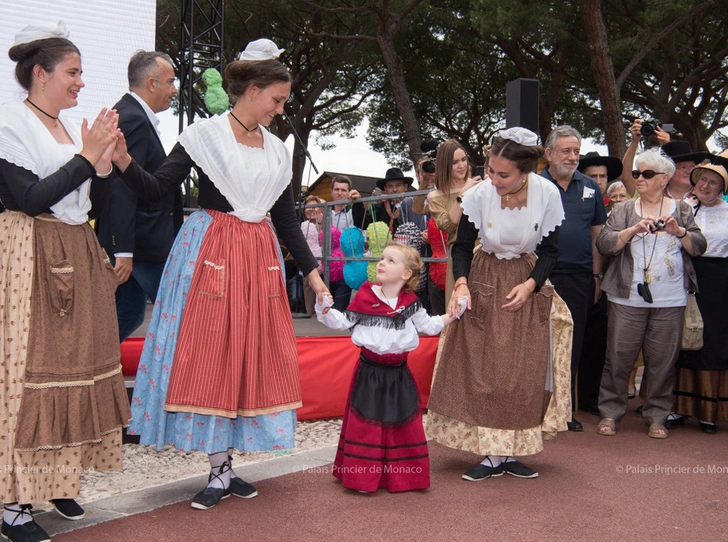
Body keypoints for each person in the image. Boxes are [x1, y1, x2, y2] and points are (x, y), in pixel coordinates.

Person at [115, 39, 329, 511]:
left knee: (249, 354)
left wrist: (313, 276)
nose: (279, 110)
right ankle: (218, 467)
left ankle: (226, 464)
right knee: (212, 352)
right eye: (276, 99)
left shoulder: (275, 150)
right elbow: (157, 190)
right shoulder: (204, 136)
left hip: (258, 257)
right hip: (210, 251)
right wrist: (125, 161)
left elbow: (287, 218)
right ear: (251, 91)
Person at [0, 22, 131, 541]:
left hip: (74, 247)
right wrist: (85, 158)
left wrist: (104, 164)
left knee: (78, 365)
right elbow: (27, 198)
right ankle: (12, 502)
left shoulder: (68, 125)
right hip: (29, 249)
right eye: (72, 72)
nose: (80, 82)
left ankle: (57, 478)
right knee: (29, 372)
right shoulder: (10, 122)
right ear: (40, 73)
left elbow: (85, 200)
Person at [427, 127, 571, 481]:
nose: (493, 179)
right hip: (483, 277)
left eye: (502, 174)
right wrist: (461, 283)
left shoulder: (547, 194)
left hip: (525, 277)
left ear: (526, 172)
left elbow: (551, 250)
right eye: (490, 170)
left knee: (521, 370)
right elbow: (461, 246)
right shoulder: (479, 194)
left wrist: (531, 284)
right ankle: (491, 452)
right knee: (484, 367)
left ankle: (510, 450)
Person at [315, 242, 459, 492]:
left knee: (401, 423)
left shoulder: (411, 302)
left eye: (391, 260)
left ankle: (405, 478)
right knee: (366, 425)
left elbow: (430, 326)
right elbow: (342, 321)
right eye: (381, 258)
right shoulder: (365, 294)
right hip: (368, 373)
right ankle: (362, 478)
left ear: (406, 274)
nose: (382, 262)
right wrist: (325, 309)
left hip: (399, 374)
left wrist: (454, 314)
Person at [595, 147, 706, 439]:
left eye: (646, 174)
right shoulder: (623, 209)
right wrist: (631, 231)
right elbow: (605, 245)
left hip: (671, 298)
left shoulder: (681, 209)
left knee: (662, 361)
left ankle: (656, 415)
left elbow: (699, 245)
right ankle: (610, 412)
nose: (639, 179)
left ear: (664, 178)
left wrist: (679, 231)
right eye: (636, 174)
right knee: (618, 357)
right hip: (625, 295)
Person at [95, 50, 182, 341]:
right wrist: (123, 251)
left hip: (141, 245)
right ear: (151, 83)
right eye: (170, 81)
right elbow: (121, 188)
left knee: (128, 315)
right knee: (180, 317)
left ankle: (89, 371)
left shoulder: (131, 115)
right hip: (142, 247)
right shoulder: (132, 118)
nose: (174, 89)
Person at [540, 125, 607, 431]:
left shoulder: (590, 187)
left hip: (580, 277)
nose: (572, 156)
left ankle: (565, 410)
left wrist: (596, 276)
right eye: (566, 150)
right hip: (541, 277)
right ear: (549, 153)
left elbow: (596, 237)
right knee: (541, 344)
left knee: (573, 345)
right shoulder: (533, 185)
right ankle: (537, 407)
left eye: (576, 151)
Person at [674, 161, 728, 433]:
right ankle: (676, 408)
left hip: (718, 282)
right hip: (684, 276)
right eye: (702, 180)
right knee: (681, 340)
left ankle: (708, 412)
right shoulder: (682, 208)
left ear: (722, 188)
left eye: (713, 182)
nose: (706, 186)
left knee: (711, 343)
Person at [419, 139, 480, 305]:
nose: (461, 166)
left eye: (464, 160)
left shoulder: (480, 186)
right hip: (459, 256)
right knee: (460, 308)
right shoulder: (435, 196)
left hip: (486, 252)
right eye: (454, 162)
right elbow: (449, 225)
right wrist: (462, 195)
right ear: (445, 165)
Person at [328, 175, 356, 311]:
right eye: (337, 189)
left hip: (345, 267)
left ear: (349, 192)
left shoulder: (354, 213)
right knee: (324, 309)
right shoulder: (324, 212)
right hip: (325, 266)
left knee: (340, 309)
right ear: (331, 191)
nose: (339, 193)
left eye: (343, 190)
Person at [301, 195, 325, 315]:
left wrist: (321, 223)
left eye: (314, 207)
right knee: (308, 286)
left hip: (326, 261)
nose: (311, 209)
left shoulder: (325, 221)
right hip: (309, 261)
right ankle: (310, 313)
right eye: (308, 207)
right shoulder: (302, 225)